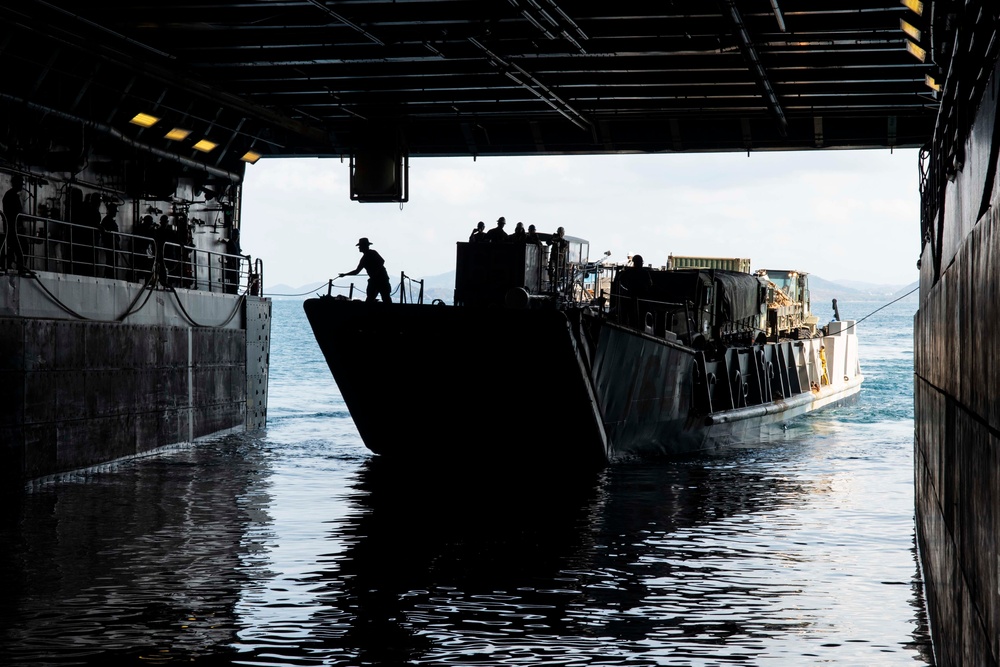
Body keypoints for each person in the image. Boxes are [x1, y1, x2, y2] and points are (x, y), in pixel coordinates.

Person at [338, 237, 392, 303]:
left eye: (360, 246)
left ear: (364, 246)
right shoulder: (368, 256)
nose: (359, 248)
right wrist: (345, 274)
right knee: (382, 298)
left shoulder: (368, 256)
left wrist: (345, 274)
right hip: (379, 279)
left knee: (377, 298)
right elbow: (356, 271)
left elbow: (382, 261)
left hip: (379, 280)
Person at [617, 254, 653, 327]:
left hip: (631, 297)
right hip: (642, 298)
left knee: (631, 316)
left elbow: (620, 279)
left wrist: (626, 289)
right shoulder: (645, 273)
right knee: (642, 317)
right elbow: (650, 284)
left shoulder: (629, 271)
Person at [2, 174, 26, 273]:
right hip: (13, 228)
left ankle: (10, 265)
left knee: (13, 248)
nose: (22, 186)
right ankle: (19, 268)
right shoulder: (12, 196)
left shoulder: (10, 195)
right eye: (20, 184)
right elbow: (16, 213)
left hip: (11, 227)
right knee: (22, 247)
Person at [220, 224, 242, 294]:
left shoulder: (237, 244)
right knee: (233, 278)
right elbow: (229, 252)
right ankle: (232, 291)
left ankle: (235, 290)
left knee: (236, 279)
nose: (237, 236)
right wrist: (231, 261)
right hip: (232, 264)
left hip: (237, 263)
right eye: (236, 234)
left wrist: (245, 256)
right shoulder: (231, 242)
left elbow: (238, 253)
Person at [100, 202, 120, 278]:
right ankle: (110, 276)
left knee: (112, 262)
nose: (115, 213)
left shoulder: (108, 220)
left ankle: (110, 275)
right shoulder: (107, 220)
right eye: (114, 211)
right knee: (111, 262)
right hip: (110, 245)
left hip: (113, 245)